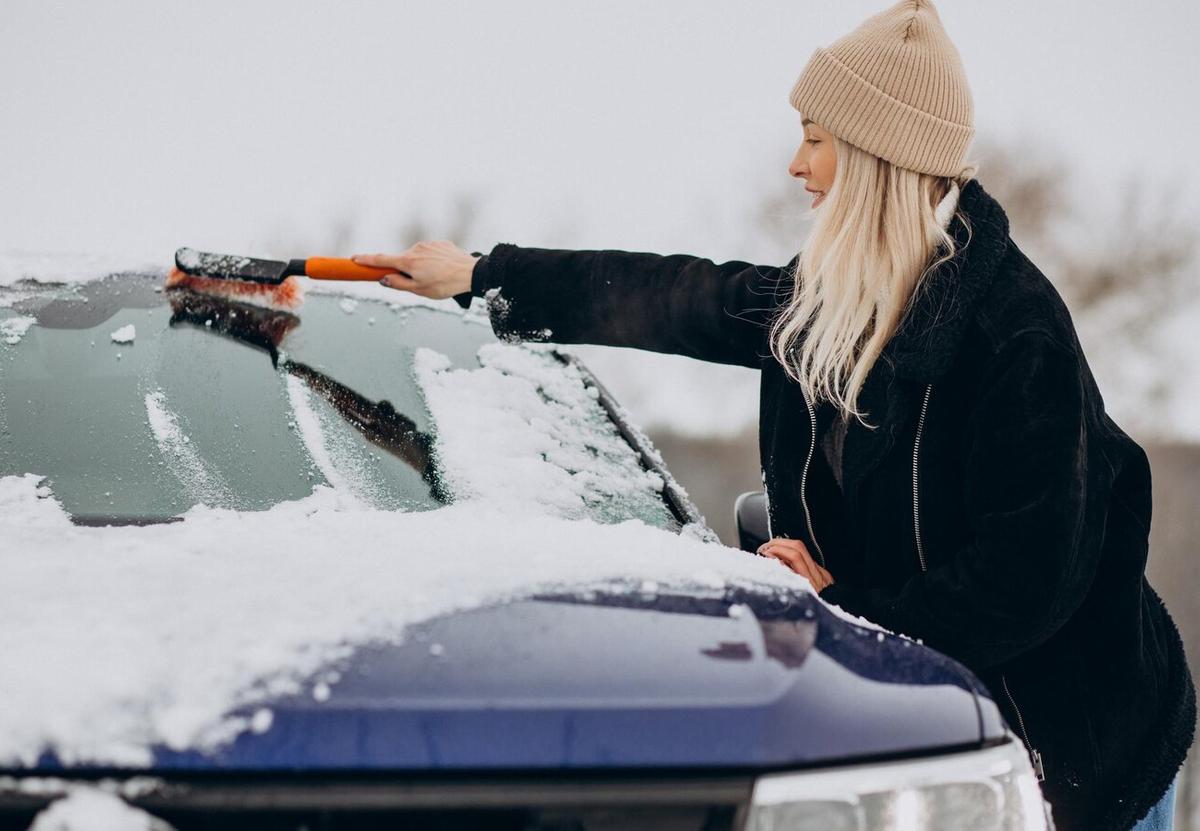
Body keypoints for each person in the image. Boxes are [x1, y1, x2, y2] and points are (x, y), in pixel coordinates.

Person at [352, 1, 1195, 827]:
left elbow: (1023, 584)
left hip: (1082, 748)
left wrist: (841, 609)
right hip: (933, 733)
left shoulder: (1015, 335)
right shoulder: (835, 297)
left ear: (874, 158)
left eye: (817, 140)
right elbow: (678, 297)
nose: (797, 165)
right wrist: (480, 273)